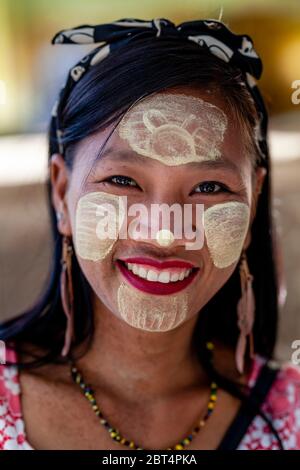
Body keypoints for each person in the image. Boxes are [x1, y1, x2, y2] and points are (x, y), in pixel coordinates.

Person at [0, 17, 299, 451]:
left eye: (210, 188)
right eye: (122, 181)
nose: (162, 233)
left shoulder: (289, 414)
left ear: (251, 208)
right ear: (63, 194)